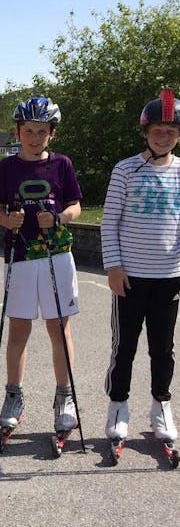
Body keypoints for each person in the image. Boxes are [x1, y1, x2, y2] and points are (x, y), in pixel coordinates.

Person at [0, 97, 82, 439]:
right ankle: (14, 396)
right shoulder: (8, 167)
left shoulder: (62, 164)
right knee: (19, 329)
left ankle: (65, 397)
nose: (34, 137)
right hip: (21, 256)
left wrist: (58, 218)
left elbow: (75, 206)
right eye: (28, 131)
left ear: (51, 134)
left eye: (42, 132)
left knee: (59, 328)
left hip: (57, 255)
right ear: (18, 132)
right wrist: (7, 220)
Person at [101, 88, 180, 456]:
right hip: (130, 277)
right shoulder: (126, 169)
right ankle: (118, 406)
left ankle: (161, 405)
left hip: (169, 277)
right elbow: (109, 222)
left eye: (170, 131)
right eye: (157, 131)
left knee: (163, 348)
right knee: (125, 347)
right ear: (146, 132)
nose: (163, 137)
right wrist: (113, 266)